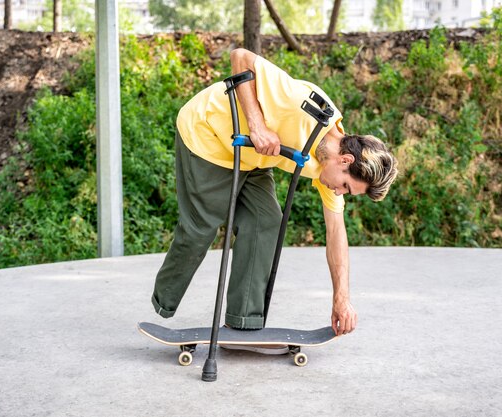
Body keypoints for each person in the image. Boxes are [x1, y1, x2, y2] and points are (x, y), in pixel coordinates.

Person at [152, 48, 398, 340]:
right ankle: (163, 300)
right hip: (208, 135)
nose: (340, 191)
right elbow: (240, 57)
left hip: (254, 156)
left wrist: (341, 299)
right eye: (345, 186)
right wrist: (256, 126)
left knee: (266, 221)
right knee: (202, 228)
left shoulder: (329, 166)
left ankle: (242, 321)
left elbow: (336, 233)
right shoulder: (298, 104)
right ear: (346, 161)